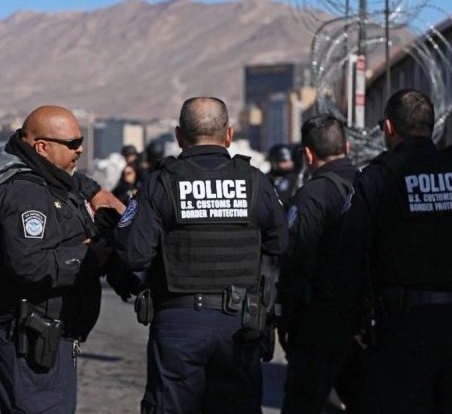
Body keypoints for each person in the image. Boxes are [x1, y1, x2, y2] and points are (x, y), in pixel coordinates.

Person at [334, 88, 452, 413]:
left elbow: (348, 256)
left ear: (389, 128)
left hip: (405, 329)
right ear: (431, 127)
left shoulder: (378, 177)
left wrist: (347, 326)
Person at [114, 96, 289, 414]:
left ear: (180, 136)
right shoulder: (254, 181)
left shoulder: (160, 182)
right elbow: (280, 243)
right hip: (239, 322)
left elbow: (135, 254)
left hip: (179, 322)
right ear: (229, 134)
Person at [0, 105, 119, 414]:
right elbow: (31, 265)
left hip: (42, 339)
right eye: (72, 144)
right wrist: (93, 255)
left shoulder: (43, 176)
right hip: (27, 342)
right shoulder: (25, 194)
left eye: (82, 141)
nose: (80, 150)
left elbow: (70, 182)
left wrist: (94, 191)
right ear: (42, 147)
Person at [277, 115, 369, 414]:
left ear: (307, 154)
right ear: (347, 146)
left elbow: (295, 260)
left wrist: (285, 318)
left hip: (318, 323)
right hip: (366, 321)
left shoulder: (311, 196)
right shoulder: (371, 186)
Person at [266, 143, 299, 210]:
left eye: (289, 160)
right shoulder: (265, 179)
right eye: (283, 161)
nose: (288, 164)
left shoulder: (297, 177)